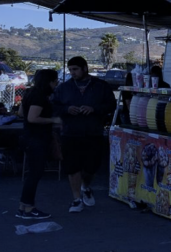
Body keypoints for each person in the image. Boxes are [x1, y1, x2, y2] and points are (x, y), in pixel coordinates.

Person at [52, 56, 117, 213]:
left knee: (91, 166)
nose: (72, 73)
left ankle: (85, 186)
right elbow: (54, 106)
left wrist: (94, 109)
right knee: (72, 167)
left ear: (85, 68)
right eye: (70, 70)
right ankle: (76, 199)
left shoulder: (101, 86)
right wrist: (67, 109)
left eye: (75, 69)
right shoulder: (64, 88)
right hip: (70, 132)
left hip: (93, 132)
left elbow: (111, 105)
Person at [17, 69, 61, 220]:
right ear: (49, 81)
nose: (57, 83)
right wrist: (53, 120)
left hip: (28, 137)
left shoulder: (30, 93)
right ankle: (29, 208)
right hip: (36, 138)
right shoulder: (40, 96)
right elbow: (32, 117)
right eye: (55, 80)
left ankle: (23, 206)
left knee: (32, 174)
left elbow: (21, 113)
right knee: (35, 174)